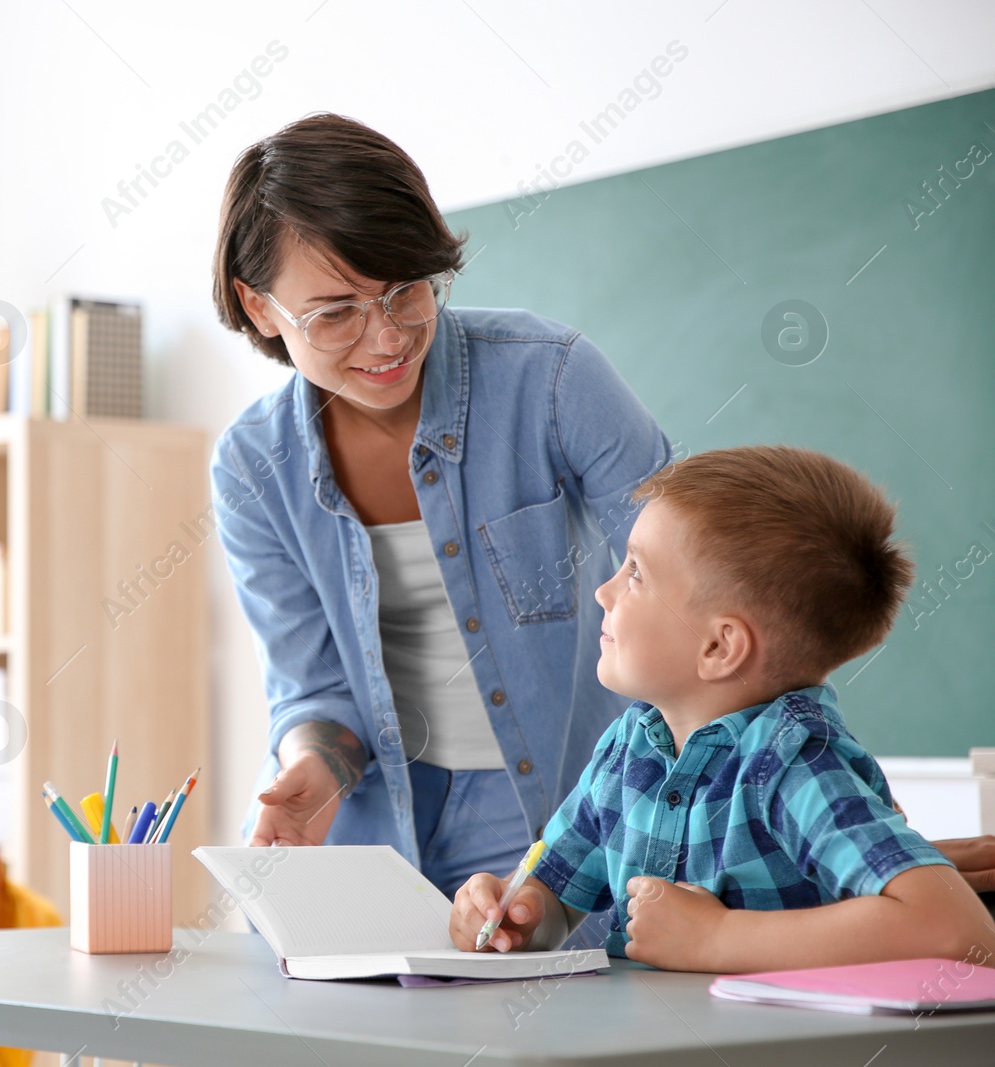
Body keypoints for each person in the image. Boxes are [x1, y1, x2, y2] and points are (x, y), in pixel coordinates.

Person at [209, 112, 670, 918]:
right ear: (259, 306)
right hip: (370, 841)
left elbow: (698, 571)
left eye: (406, 290)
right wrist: (312, 767)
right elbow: (312, 690)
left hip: (563, 830)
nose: (387, 337)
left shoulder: (551, 379)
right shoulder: (253, 466)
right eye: (335, 312)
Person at [449, 446, 995, 970]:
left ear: (718, 647)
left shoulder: (795, 764)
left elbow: (957, 932)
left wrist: (717, 938)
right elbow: (560, 898)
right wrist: (517, 917)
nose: (604, 592)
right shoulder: (628, 745)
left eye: (636, 573)